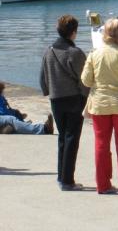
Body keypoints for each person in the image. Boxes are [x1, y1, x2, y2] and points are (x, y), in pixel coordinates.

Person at [81, 18, 118, 195]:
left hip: (100, 104)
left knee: (101, 145)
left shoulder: (94, 54)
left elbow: (85, 80)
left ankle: (103, 184)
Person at [40, 14, 89, 191]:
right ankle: (68, 180)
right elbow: (85, 79)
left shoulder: (49, 51)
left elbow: (43, 78)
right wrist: (85, 97)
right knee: (72, 138)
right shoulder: (75, 53)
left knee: (62, 137)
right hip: (74, 99)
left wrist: (49, 92)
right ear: (73, 32)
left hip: (56, 99)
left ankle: (61, 176)